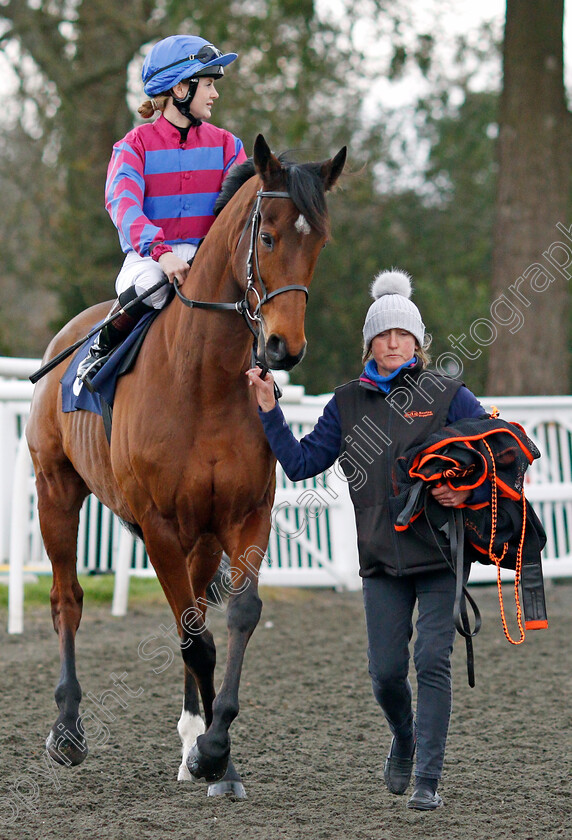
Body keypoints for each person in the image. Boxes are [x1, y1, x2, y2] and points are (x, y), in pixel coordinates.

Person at [247, 269, 487, 811]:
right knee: (384, 674)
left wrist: (466, 494)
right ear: (370, 343)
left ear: (418, 342)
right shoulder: (348, 403)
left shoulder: (448, 396)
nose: (393, 342)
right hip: (379, 561)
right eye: (383, 335)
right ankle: (403, 738)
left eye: (403, 334)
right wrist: (269, 410)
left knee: (431, 659)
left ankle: (428, 779)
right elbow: (303, 462)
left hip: (441, 556)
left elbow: (502, 456)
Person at [78, 34, 247, 386]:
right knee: (153, 286)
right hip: (150, 260)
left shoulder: (229, 146)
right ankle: (101, 352)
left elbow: (241, 211)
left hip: (208, 256)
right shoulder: (132, 147)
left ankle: (260, 374)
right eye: (208, 84)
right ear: (181, 88)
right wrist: (162, 253)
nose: (214, 93)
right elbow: (123, 207)